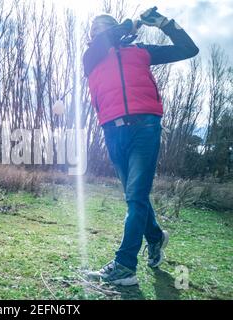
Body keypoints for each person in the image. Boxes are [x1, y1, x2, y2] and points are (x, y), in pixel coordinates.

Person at [83, 8, 199, 286]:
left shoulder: (140, 51)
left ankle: (125, 266)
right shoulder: (92, 56)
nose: (97, 33)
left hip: (145, 127)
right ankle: (156, 237)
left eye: (102, 27)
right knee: (137, 197)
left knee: (135, 197)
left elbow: (188, 49)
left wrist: (164, 24)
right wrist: (130, 23)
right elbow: (106, 40)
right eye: (94, 30)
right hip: (112, 130)